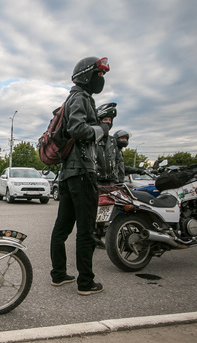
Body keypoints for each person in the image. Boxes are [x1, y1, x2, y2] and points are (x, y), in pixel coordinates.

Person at [49, 56, 110, 296]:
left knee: (61, 229)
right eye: (99, 74)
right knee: (85, 230)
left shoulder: (70, 99)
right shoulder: (81, 98)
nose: (101, 79)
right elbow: (77, 128)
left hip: (68, 174)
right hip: (82, 173)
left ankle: (58, 275)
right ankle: (86, 282)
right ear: (87, 75)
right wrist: (101, 129)